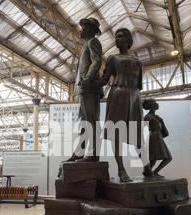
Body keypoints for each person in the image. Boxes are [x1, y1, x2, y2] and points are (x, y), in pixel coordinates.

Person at [88, 28, 143, 182]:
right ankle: (121, 169)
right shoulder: (112, 58)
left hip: (134, 97)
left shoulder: (138, 62)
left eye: (120, 36)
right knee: (116, 133)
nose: (117, 39)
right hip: (118, 95)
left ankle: (146, 167)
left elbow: (139, 85)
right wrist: (89, 82)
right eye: (116, 37)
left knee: (137, 133)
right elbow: (104, 80)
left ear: (128, 40)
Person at [66, 17, 103, 162]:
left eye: (84, 27)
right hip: (84, 89)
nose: (81, 30)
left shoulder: (93, 41)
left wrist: (87, 78)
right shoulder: (86, 44)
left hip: (89, 87)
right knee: (83, 122)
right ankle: (80, 152)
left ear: (92, 30)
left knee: (91, 122)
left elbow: (97, 60)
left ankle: (93, 155)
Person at [142, 99, 172, 178]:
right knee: (157, 158)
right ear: (151, 106)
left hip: (158, 137)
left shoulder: (156, 117)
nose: (157, 104)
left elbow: (165, 132)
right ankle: (151, 172)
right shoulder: (148, 117)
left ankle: (149, 172)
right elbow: (143, 130)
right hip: (154, 138)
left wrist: (161, 121)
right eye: (155, 103)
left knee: (156, 158)